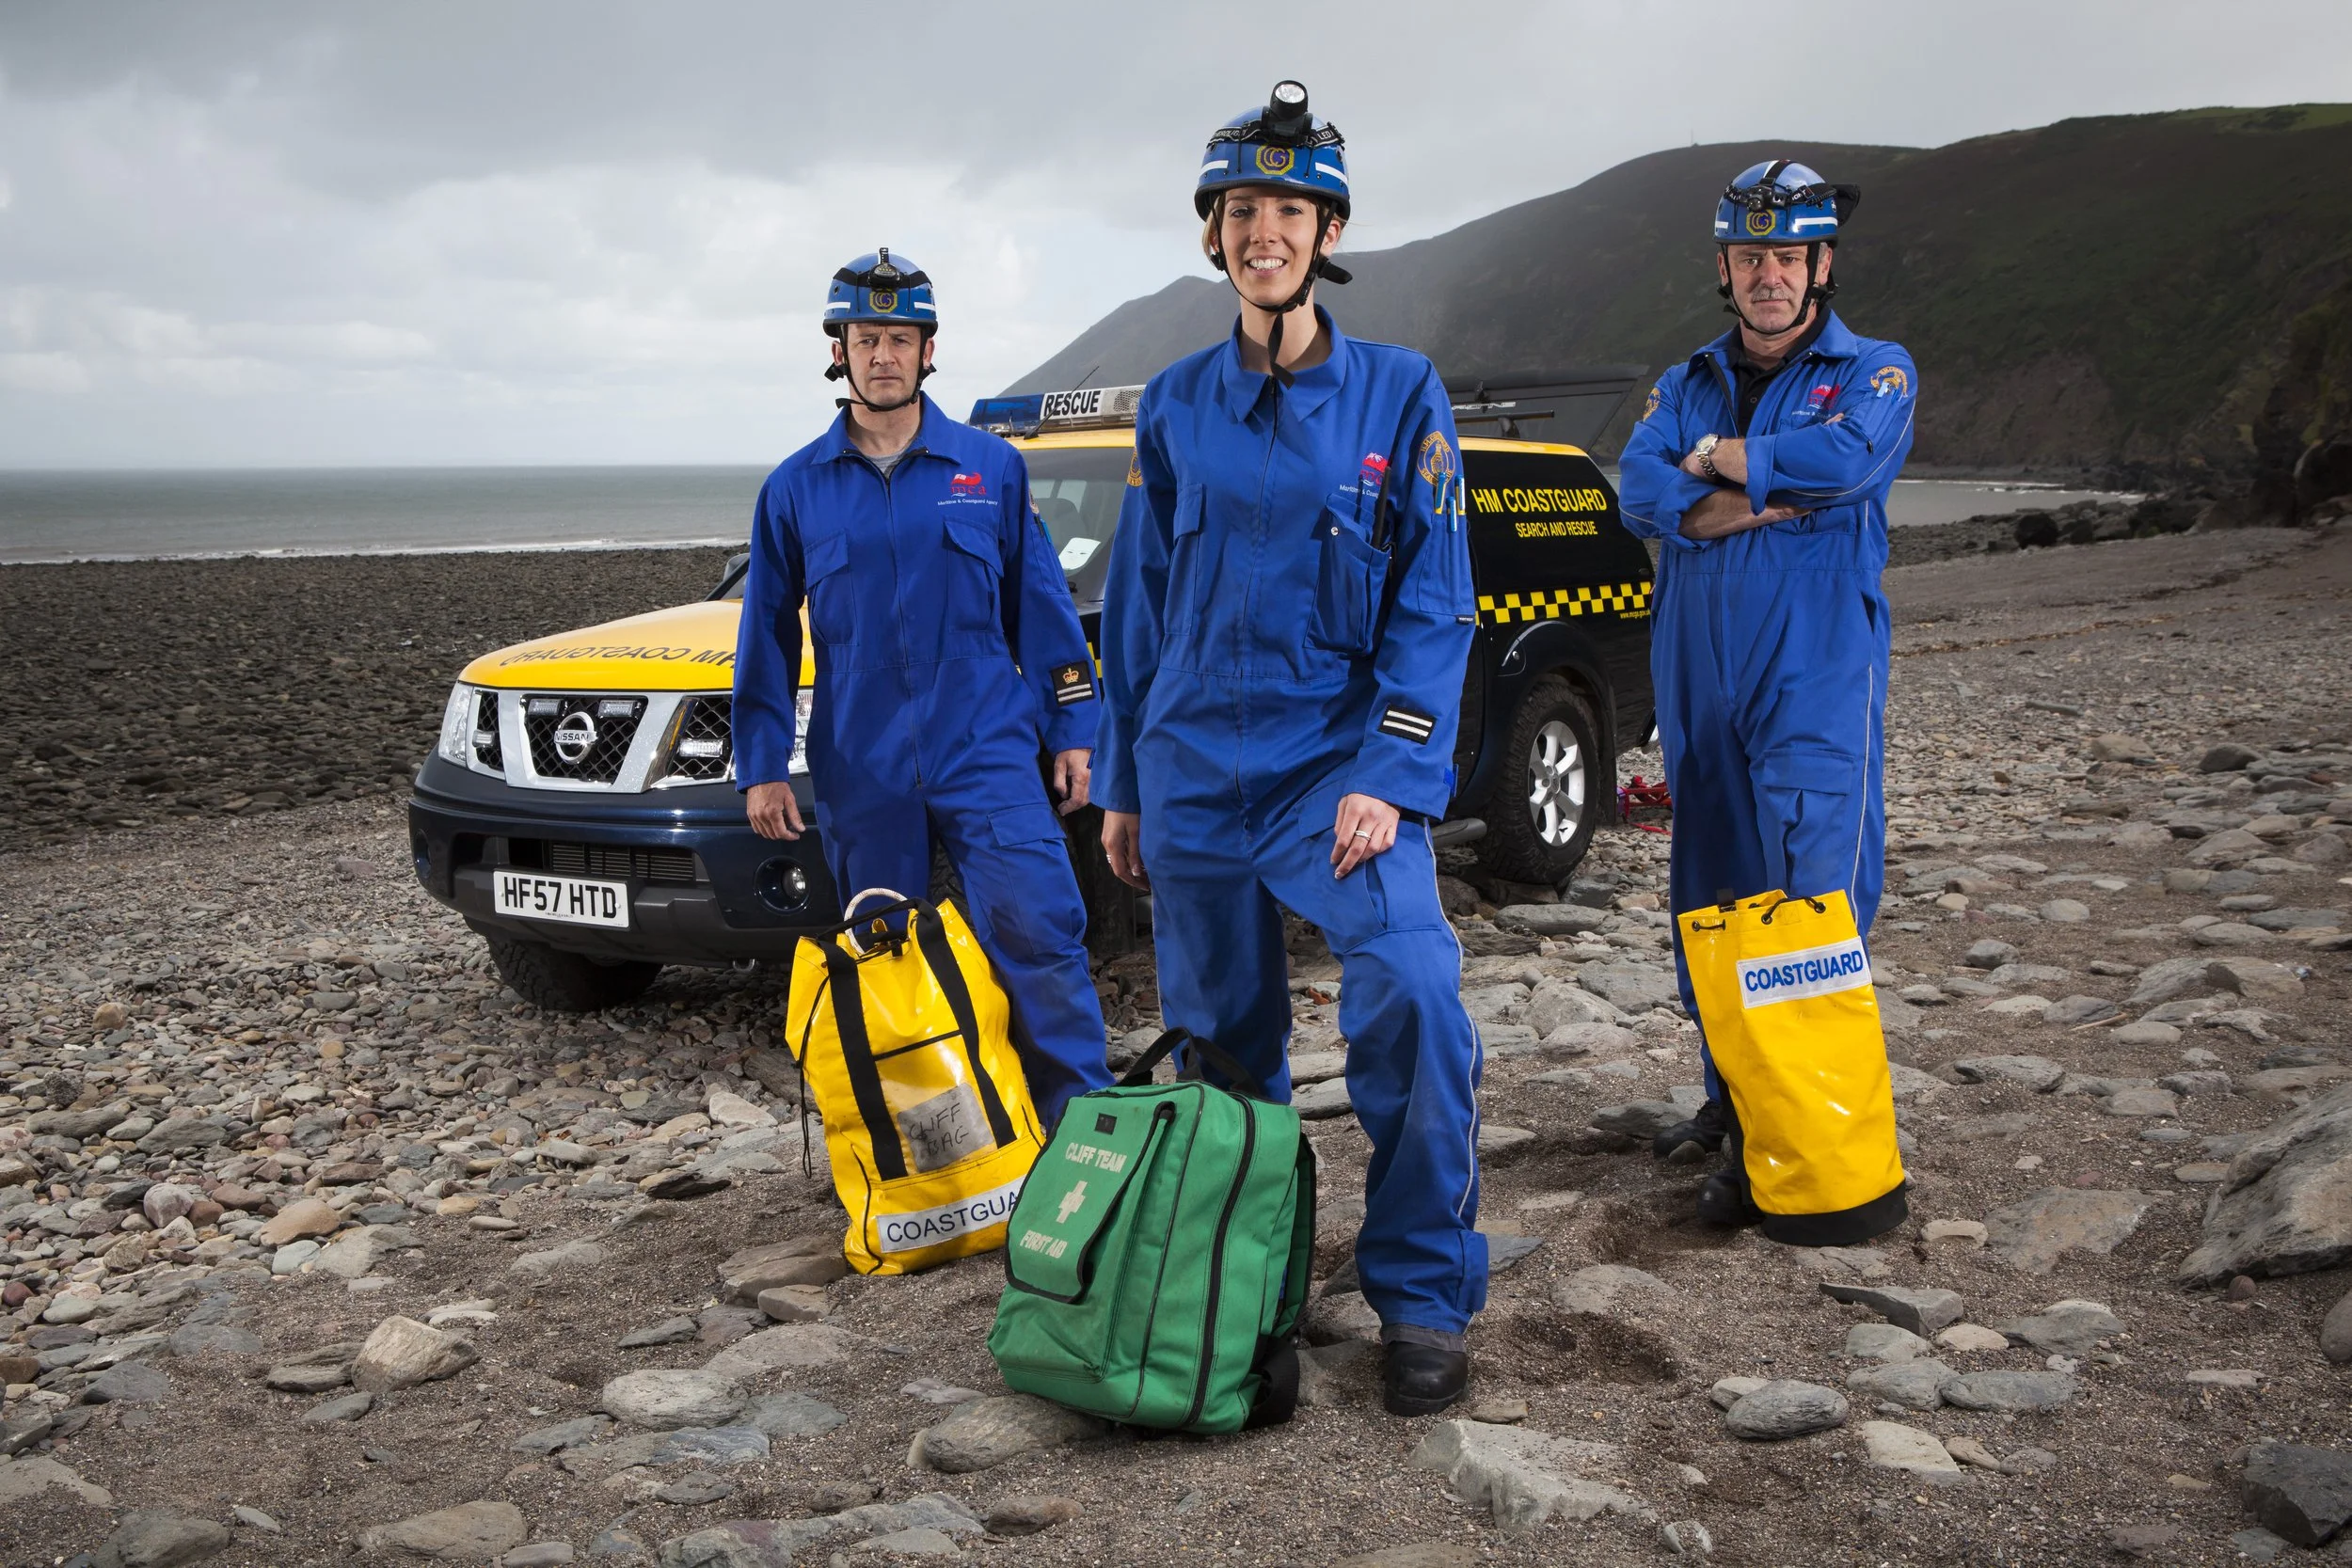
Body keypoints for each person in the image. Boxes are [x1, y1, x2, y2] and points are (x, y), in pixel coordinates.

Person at [1095, 81, 1486, 1416]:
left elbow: (1438, 603)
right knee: (1221, 1054)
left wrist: (1389, 770)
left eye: (1292, 209)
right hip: (1196, 765)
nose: (1268, 231)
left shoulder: (1399, 392)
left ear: (1329, 231)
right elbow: (1139, 602)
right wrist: (1130, 777)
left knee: (1418, 993)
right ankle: (1243, 1301)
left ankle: (1422, 1296)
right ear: (1215, 234)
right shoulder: (1173, 403)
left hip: (1334, 763)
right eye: (1244, 209)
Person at [732, 249, 1113, 1127]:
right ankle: (937, 1159)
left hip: (985, 746)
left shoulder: (991, 469)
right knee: (886, 961)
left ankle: (1084, 1135)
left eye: (900, 338)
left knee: (1038, 936)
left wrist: (1076, 728)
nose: (883, 356)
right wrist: (761, 764)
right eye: (865, 338)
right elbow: (765, 635)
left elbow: (1044, 611)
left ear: (929, 350)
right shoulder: (794, 488)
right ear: (839, 351)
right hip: (860, 760)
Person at [1614, 161, 1919, 1226]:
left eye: (1788, 255)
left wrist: (1723, 468)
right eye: (1751, 257)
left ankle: (1798, 1135)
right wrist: (1753, 488)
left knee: (1808, 894)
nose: (1769, 276)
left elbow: (1846, 465)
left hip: (1813, 679)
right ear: (1725, 266)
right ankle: (1733, 1097)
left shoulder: (1876, 369)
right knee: (1709, 893)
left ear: (1821, 263)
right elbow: (1640, 490)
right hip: (1698, 686)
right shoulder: (1682, 382)